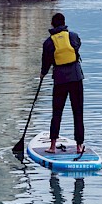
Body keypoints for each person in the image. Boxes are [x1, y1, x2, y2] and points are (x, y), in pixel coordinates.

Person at [41, 12, 86, 154]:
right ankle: (79, 147)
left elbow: (46, 61)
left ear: (52, 24)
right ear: (64, 23)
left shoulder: (48, 42)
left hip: (60, 80)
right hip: (76, 78)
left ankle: (53, 146)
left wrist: (42, 74)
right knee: (78, 112)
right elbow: (77, 46)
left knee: (57, 113)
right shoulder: (73, 36)